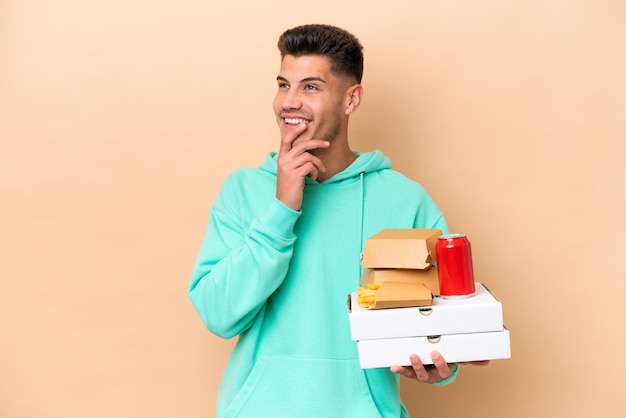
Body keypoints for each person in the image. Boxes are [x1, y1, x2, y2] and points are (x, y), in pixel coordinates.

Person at [189, 24, 487, 418]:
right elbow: (218, 314)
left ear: (351, 99)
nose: (289, 102)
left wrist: (440, 365)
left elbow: (440, 321)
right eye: (283, 84)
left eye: (310, 87)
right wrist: (281, 209)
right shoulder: (242, 190)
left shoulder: (405, 200)